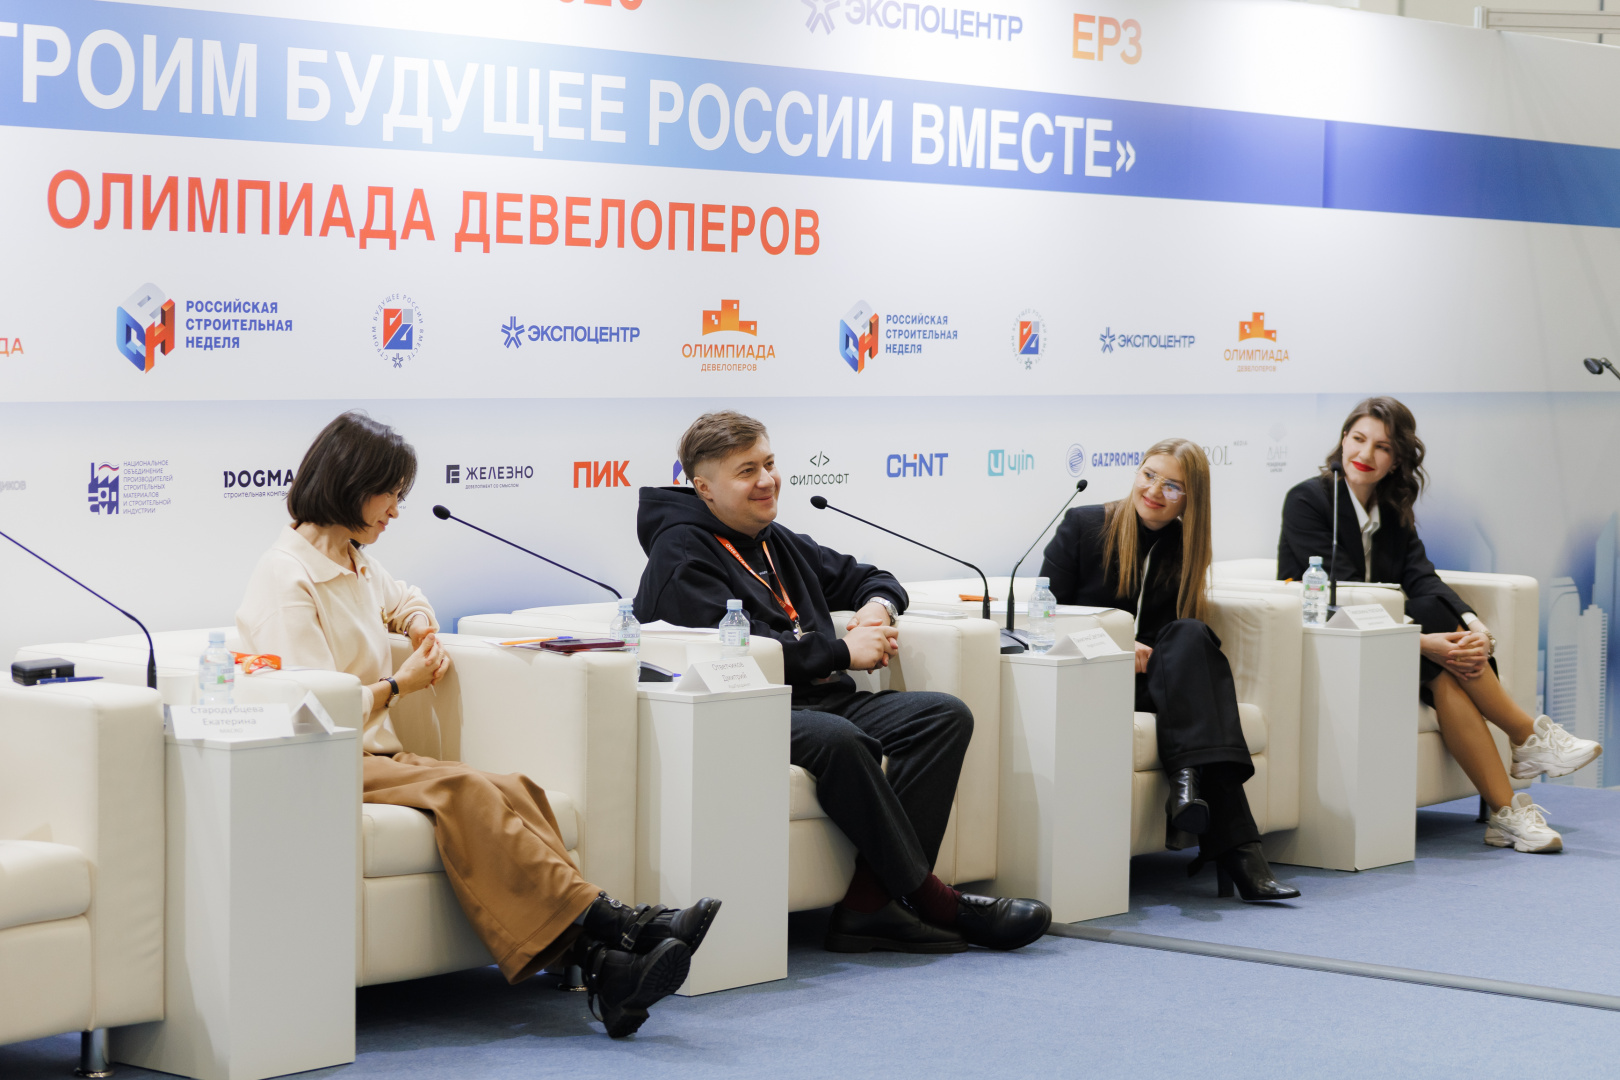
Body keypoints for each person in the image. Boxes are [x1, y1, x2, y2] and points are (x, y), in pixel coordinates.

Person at [236, 411, 720, 1038]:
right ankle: (624, 926)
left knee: (515, 788)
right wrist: (398, 685)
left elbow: (407, 599)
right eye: (390, 495)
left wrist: (417, 625)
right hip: (323, 760)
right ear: (350, 485)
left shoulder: (353, 561)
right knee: (463, 789)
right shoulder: (287, 575)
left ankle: (609, 967)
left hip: (376, 755)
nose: (396, 511)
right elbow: (308, 708)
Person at [634, 411, 1052, 953]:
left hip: (823, 700)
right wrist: (842, 652)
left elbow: (872, 578)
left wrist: (876, 609)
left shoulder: (774, 539)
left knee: (942, 715)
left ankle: (867, 906)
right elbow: (736, 654)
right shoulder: (681, 553)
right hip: (746, 707)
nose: (767, 481)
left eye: (769, 464)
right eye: (747, 472)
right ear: (704, 488)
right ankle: (932, 899)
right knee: (839, 740)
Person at [1279, 396, 1599, 853]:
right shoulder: (1309, 500)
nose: (1366, 454)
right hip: (1333, 642)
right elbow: (1344, 593)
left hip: (1391, 643)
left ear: (1397, 460)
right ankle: (1525, 738)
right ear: (1343, 440)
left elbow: (1422, 575)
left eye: (1382, 447)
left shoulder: (1391, 509)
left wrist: (1475, 626)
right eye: (1358, 439)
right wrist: (1423, 642)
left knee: (1441, 658)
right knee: (1432, 642)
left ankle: (1507, 811)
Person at [1041, 438, 1299, 902]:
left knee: (1191, 633)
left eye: (1173, 486)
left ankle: (1187, 787)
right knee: (1198, 686)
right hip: (1091, 675)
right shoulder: (1084, 525)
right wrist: (1118, 643)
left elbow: (1175, 642)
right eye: (1149, 475)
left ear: (1191, 498)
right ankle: (1237, 848)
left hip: (1154, 686)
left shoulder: (1187, 546)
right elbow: (1045, 617)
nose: (1155, 491)